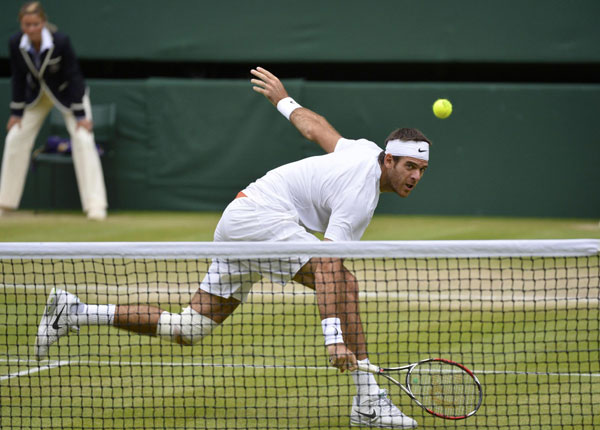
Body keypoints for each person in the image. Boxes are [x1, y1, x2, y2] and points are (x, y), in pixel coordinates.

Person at [34, 67, 430, 428]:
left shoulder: (362, 150)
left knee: (189, 328)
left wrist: (283, 100)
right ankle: (368, 401)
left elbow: (318, 130)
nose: (415, 177)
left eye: (421, 171)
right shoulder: (360, 193)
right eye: (409, 167)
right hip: (259, 219)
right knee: (345, 281)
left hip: (244, 222)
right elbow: (328, 267)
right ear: (389, 159)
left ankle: (76, 312)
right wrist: (334, 340)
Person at [0, 2, 107, 220]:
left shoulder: (61, 41)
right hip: (36, 97)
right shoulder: (15, 43)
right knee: (14, 138)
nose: (31, 29)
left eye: (36, 24)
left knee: (84, 139)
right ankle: (5, 203)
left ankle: (95, 206)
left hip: (68, 96)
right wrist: (16, 113)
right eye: (27, 24)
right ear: (21, 25)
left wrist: (80, 116)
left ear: (43, 23)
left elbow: (74, 76)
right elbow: (18, 78)